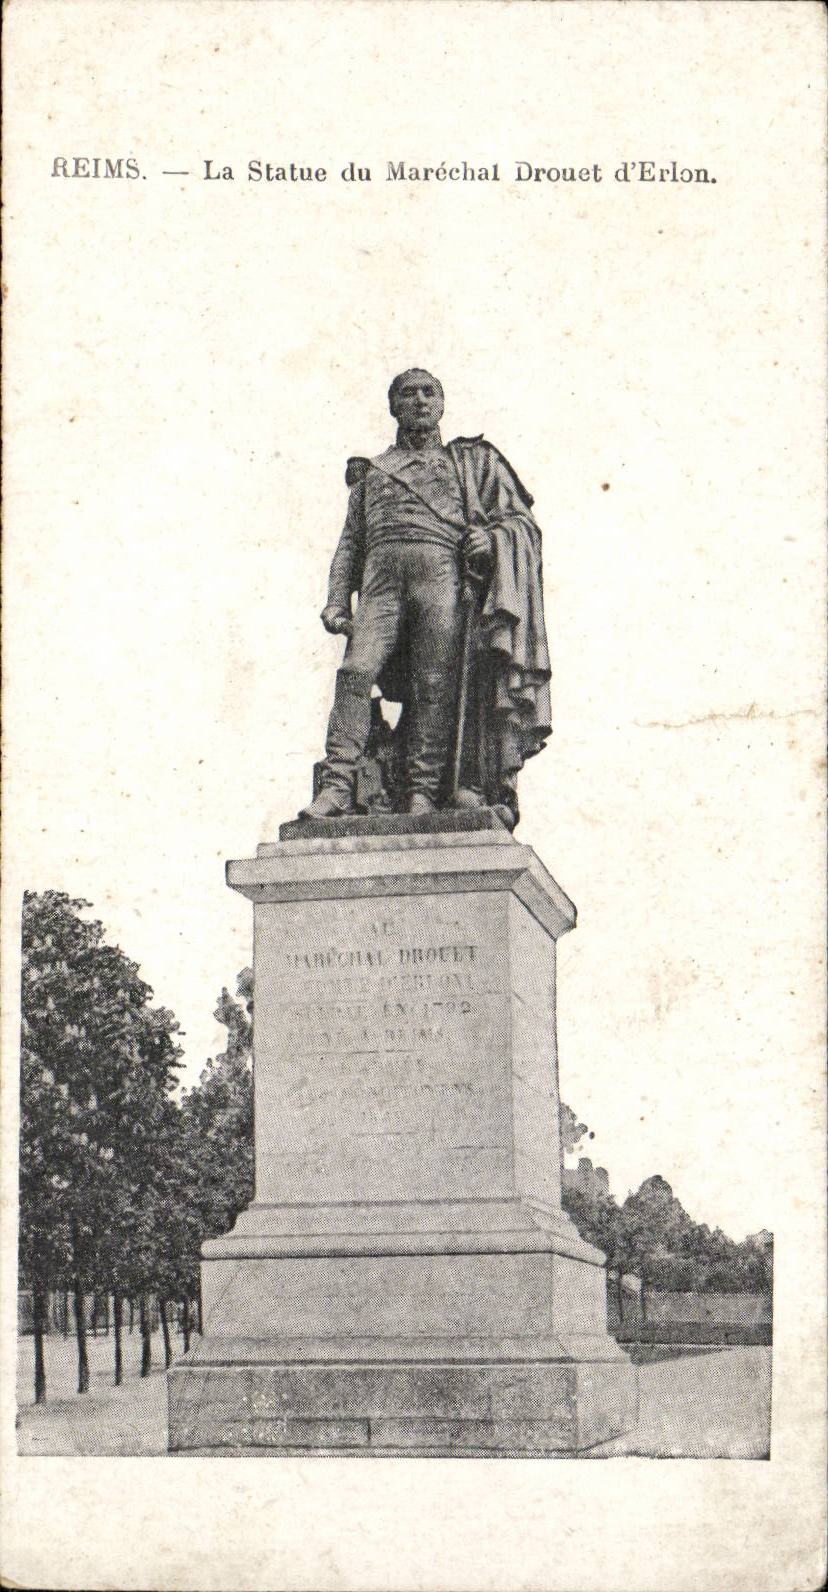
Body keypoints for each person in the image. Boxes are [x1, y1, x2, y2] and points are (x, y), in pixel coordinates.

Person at [299, 368, 551, 826]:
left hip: (440, 579)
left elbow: (518, 524)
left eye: (429, 392)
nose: (419, 401)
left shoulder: (465, 465)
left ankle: (423, 790)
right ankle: (337, 784)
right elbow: (351, 542)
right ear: (393, 406)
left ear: (441, 404)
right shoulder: (373, 473)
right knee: (356, 673)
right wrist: (337, 600)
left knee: (435, 684)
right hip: (381, 583)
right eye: (408, 393)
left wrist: (491, 541)